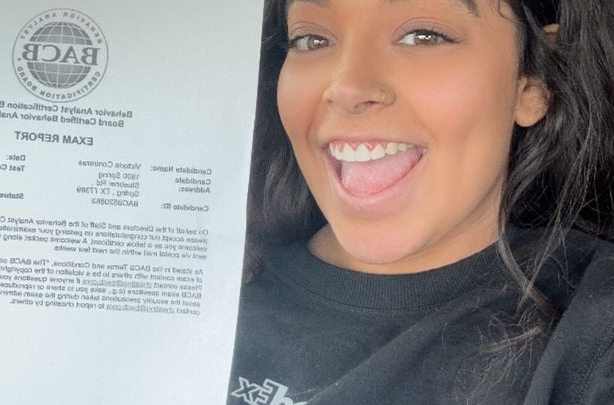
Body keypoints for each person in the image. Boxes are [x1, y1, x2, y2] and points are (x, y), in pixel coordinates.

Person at [228, 0, 614, 404]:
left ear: (536, 81)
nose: (347, 89)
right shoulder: (202, 277)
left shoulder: (595, 333)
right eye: (312, 39)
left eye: (423, 36)